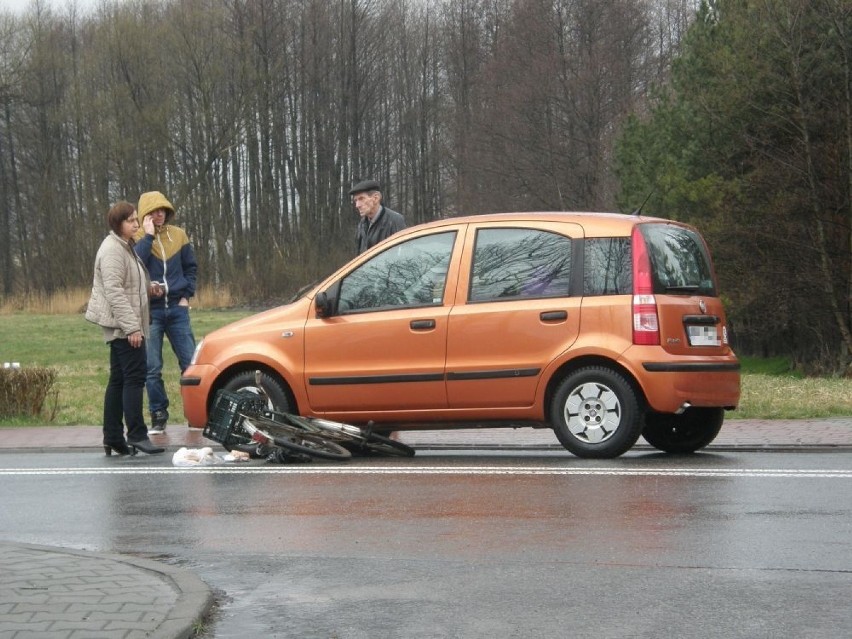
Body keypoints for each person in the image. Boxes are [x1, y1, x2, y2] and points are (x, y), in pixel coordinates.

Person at [85, 201, 165, 456]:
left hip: (125, 324)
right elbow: (115, 292)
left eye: (135, 219)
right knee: (134, 378)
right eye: (130, 220)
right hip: (124, 326)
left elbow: (128, 283)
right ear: (118, 223)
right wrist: (132, 328)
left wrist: (148, 287)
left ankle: (113, 437)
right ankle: (138, 435)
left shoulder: (124, 246)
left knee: (118, 380)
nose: (136, 224)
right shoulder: (112, 250)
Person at [133, 190, 198, 434]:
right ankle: (158, 415)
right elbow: (135, 266)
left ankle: (196, 414)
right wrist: (148, 236)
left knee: (190, 365)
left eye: (162, 210)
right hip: (151, 313)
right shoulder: (137, 239)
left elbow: (191, 268)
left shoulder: (179, 235)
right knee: (152, 367)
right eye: (153, 211)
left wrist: (185, 296)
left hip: (178, 310)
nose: (159, 214)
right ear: (144, 215)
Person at [349, 179, 406, 254]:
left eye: (361, 199)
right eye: (356, 200)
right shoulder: (362, 225)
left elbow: (402, 255)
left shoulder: (394, 221)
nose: (357, 205)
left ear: (376, 198)